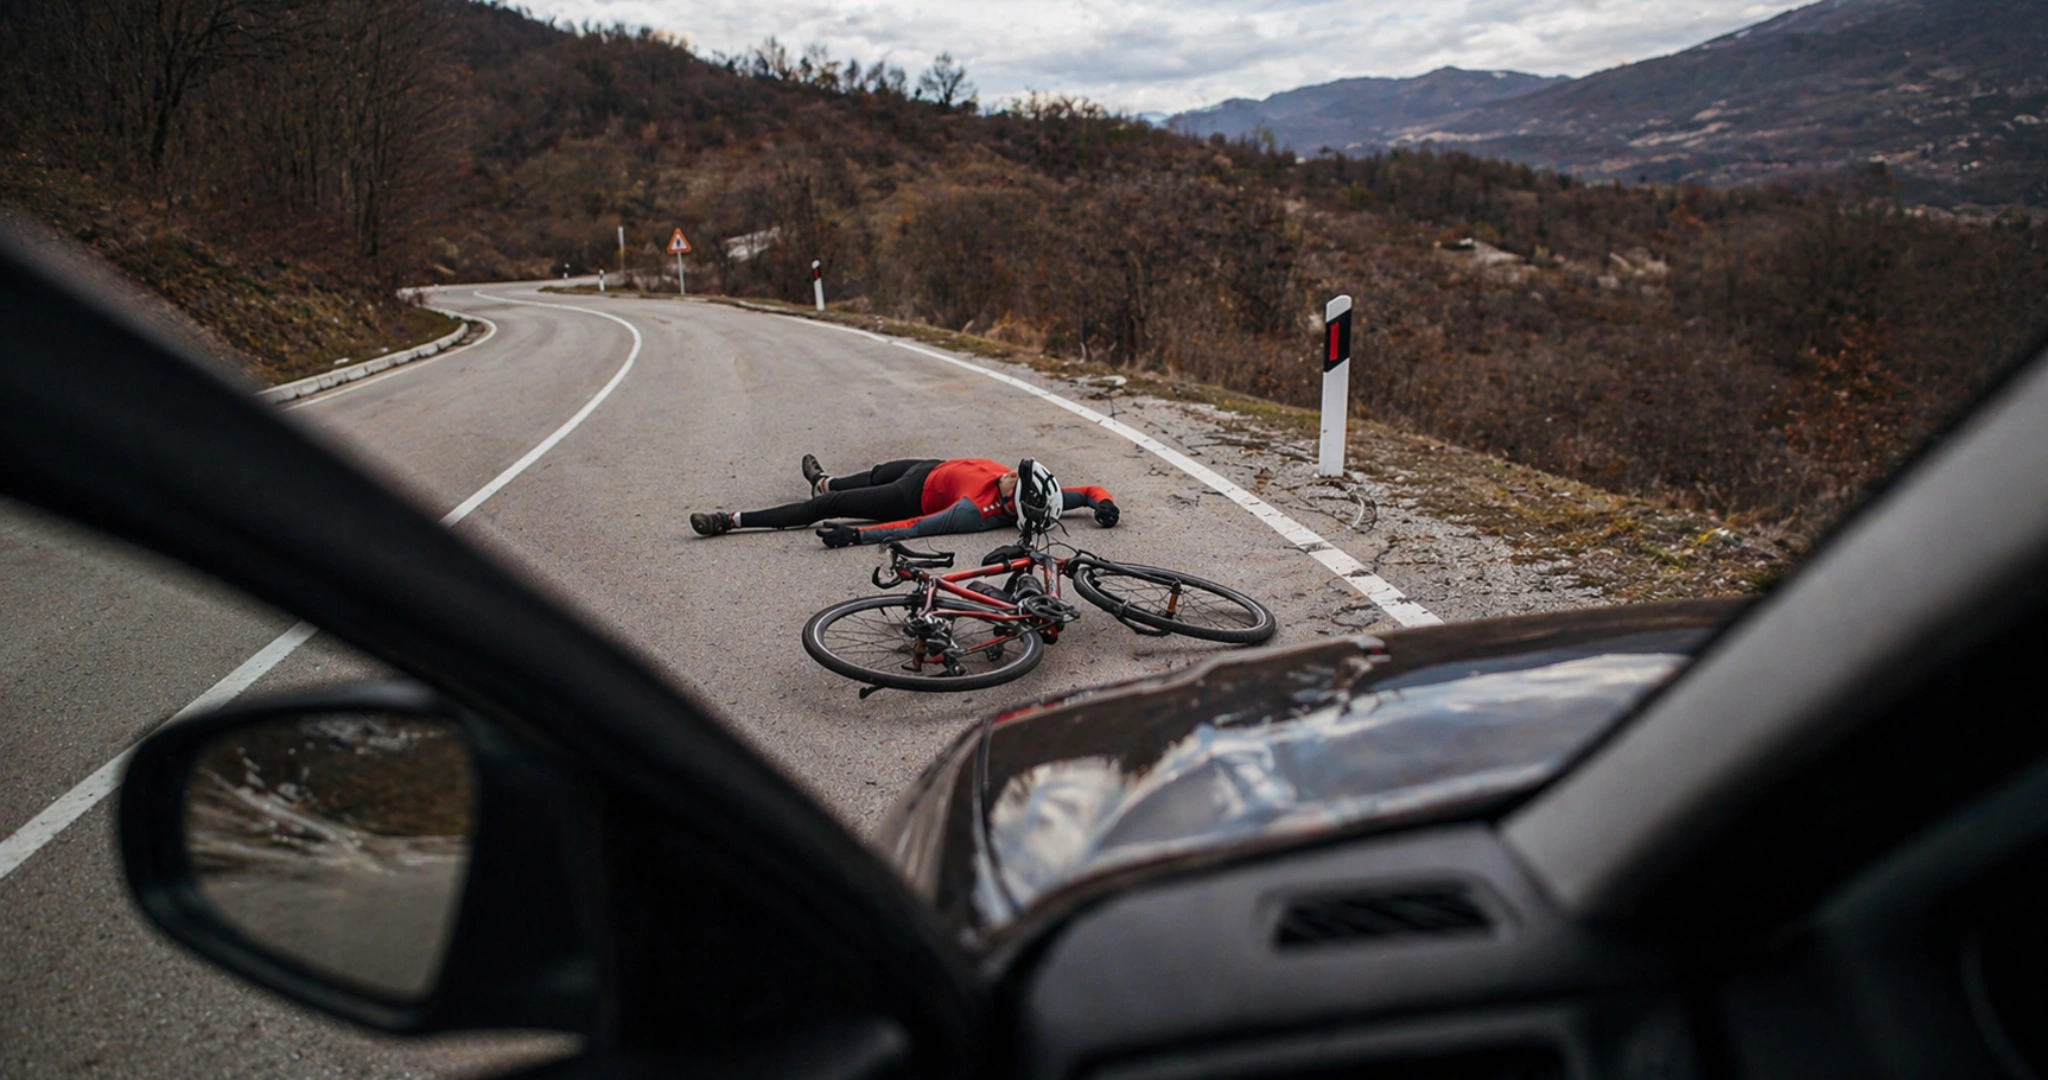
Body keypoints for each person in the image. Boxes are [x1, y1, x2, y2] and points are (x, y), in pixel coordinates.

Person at [690, 454, 1119, 547]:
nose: (1009, 474)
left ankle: (730, 519)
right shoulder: (1042, 496)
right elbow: (1087, 491)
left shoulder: (975, 513)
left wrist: (856, 535)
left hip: (911, 495)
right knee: (872, 472)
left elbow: (914, 528)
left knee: (832, 506)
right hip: (933, 464)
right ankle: (823, 479)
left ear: (1014, 506)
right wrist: (1104, 505)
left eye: (1012, 482)